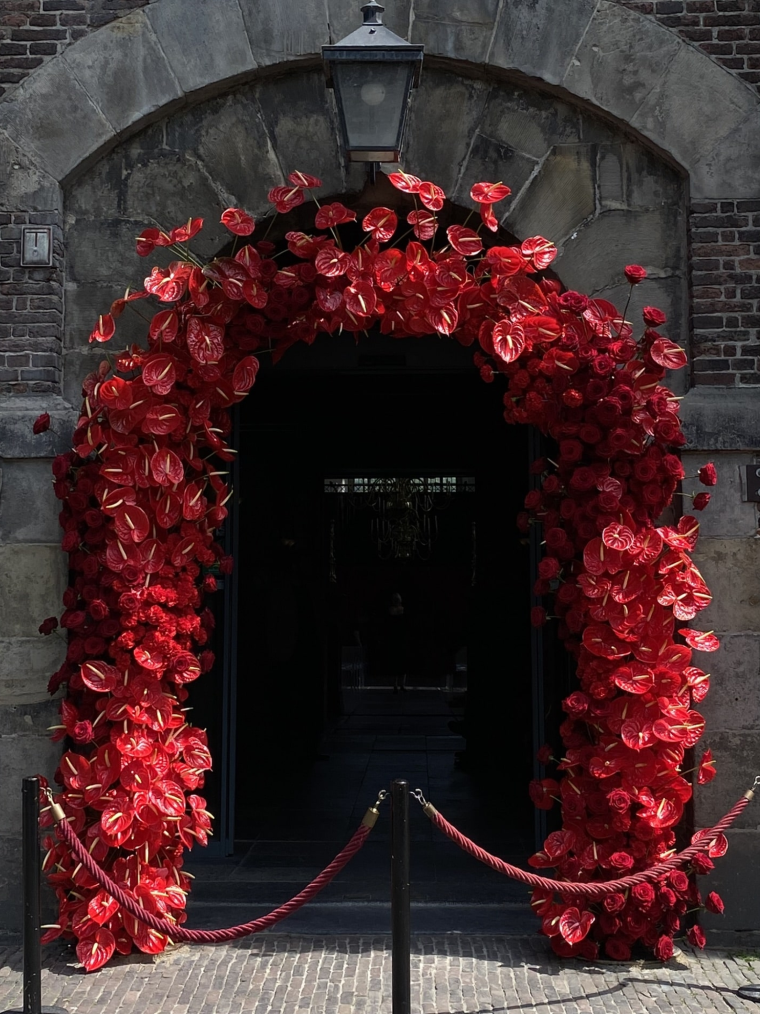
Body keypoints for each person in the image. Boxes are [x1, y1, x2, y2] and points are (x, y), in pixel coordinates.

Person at [385, 591, 409, 693]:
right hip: (397, 639)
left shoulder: (396, 610)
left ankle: (399, 685)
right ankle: (398, 685)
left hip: (398, 639)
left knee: (399, 663)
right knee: (398, 663)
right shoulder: (395, 610)